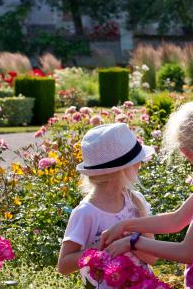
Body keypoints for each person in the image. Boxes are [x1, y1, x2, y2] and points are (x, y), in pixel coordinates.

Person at [101, 101, 193, 289]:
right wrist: (126, 225)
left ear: (185, 152)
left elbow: (186, 252)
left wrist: (133, 242)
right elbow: (177, 220)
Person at [57, 123, 158, 287]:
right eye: (137, 161)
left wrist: (130, 243)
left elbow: (153, 257)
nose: (141, 165)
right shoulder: (86, 212)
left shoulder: (136, 202)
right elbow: (64, 265)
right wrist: (102, 247)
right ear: (123, 170)